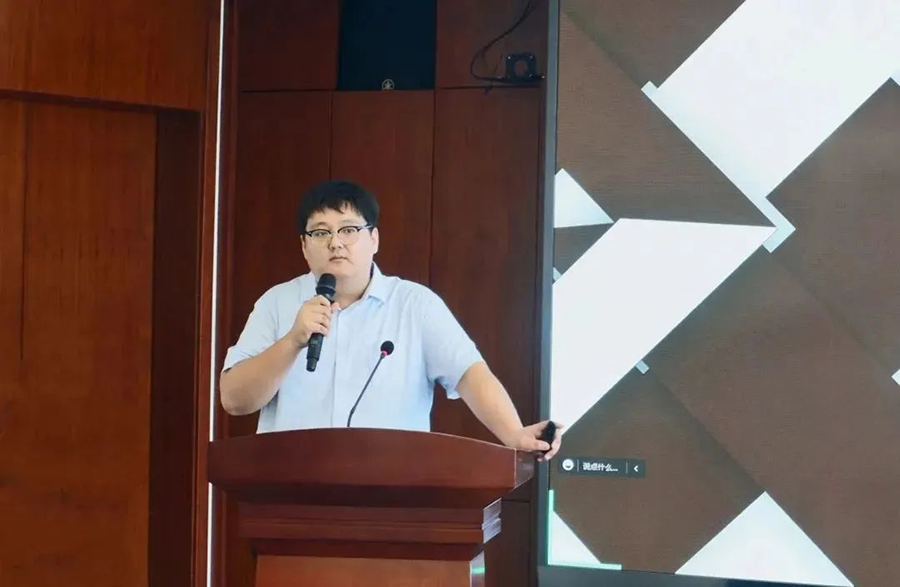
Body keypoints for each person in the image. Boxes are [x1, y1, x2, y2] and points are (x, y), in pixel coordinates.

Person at [220, 180, 561, 460]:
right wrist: (292, 340)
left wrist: (514, 434)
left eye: (348, 229)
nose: (335, 243)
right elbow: (234, 400)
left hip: (391, 494)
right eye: (320, 233)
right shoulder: (277, 303)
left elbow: (470, 374)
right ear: (304, 246)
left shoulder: (415, 305)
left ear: (374, 239)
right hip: (291, 493)